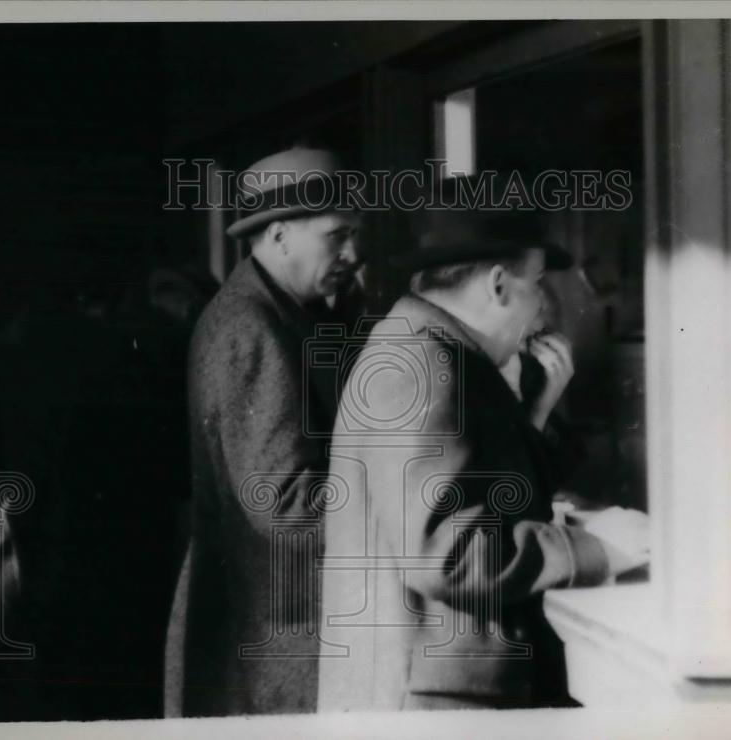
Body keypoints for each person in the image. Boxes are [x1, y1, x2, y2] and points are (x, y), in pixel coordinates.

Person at [317, 198, 649, 711]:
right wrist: (597, 551)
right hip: (438, 703)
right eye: (536, 284)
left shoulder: (426, 349)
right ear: (497, 285)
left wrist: (531, 416)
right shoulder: (425, 365)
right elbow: (447, 556)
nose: (541, 307)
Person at [165, 147, 363, 716]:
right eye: (337, 235)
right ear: (279, 236)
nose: (353, 253)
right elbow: (284, 505)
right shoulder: (248, 326)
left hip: (279, 618)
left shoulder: (286, 313)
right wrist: (401, 512)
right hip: (277, 628)